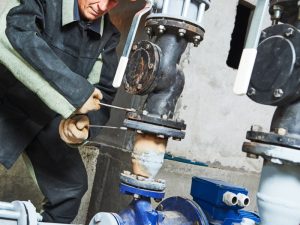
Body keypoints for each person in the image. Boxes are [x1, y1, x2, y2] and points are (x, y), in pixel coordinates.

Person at [0, 0, 135, 223]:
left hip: (46, 115)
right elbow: (17, 35)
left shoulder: (108, 35)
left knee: (71, 186)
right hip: (5, 97)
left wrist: (82, 124)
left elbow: (103, 92)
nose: (102, 6)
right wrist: (77, 93)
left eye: (112, 1)